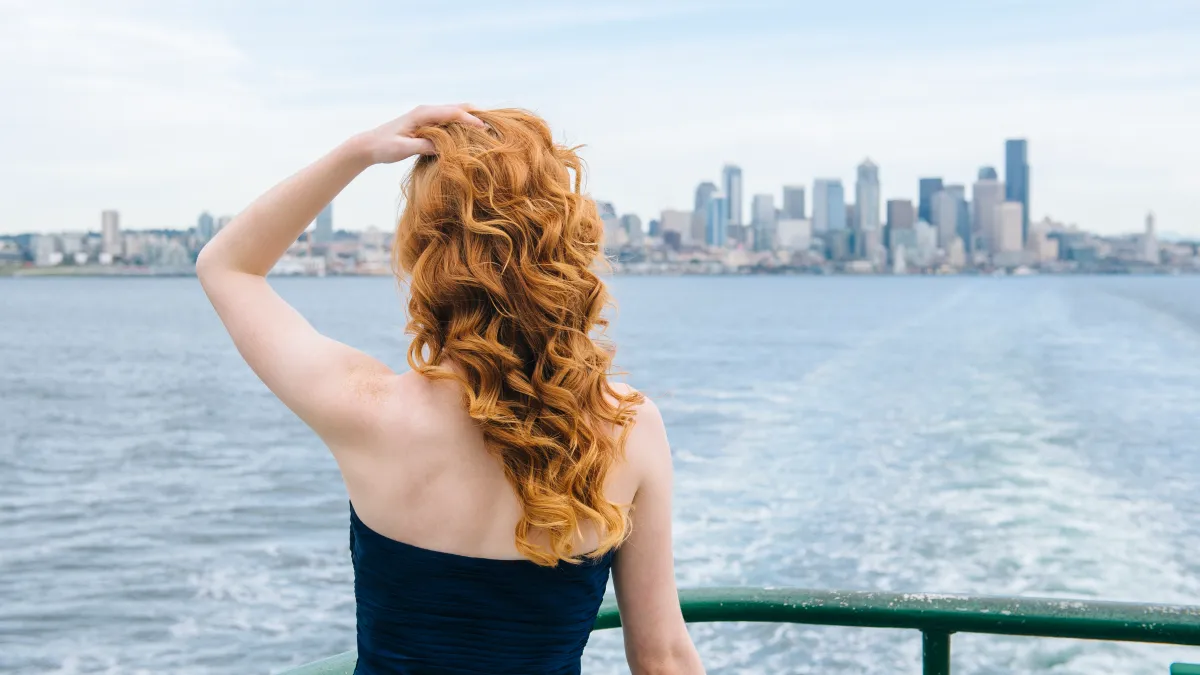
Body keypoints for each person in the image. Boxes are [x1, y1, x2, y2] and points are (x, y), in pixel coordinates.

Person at [197, 105, 704, 675]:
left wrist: (359, 150)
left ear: (425, 253)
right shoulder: (628, 431)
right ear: (567, 242)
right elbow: (662, 657)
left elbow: (227, 266)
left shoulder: (366, 412)